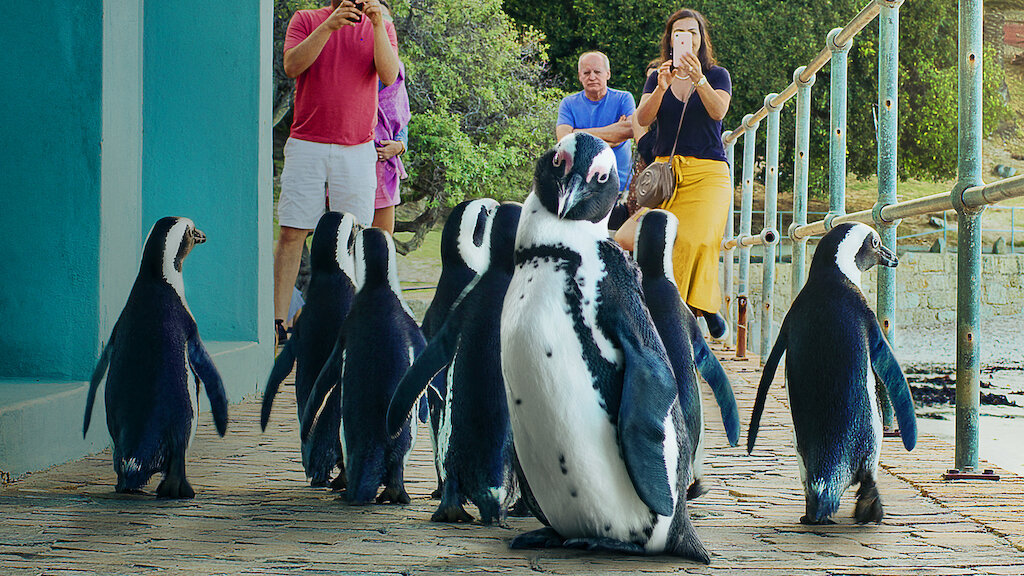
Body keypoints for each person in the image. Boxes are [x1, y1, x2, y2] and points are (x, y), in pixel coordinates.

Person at [274, 0, 401, 344]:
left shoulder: (382, 26)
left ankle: (353, 321)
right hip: (307, 143)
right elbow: (291, 65)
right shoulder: (306, 19)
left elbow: (388, 76)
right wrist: (329, 25)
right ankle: (278, 323)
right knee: (291, 233)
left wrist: (376, 25)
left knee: (355, 236)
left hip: (357, 148)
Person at [627, 8, 733, 339]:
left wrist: (698, 79)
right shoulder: (657, 75)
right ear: (670, 39)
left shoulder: (717, 75)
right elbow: (642, 119)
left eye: (692, 32)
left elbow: (718, 111)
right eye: (678, 33)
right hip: (667, 176)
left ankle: (680, 323)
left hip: (709, 173)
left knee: (693, 239)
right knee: (634, 240)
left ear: (701, 38)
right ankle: (704, 308)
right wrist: (661, 87)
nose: (686, 38)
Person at [556, 51, 636, 195]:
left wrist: (578, 133)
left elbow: (630, 129)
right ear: (580, 76)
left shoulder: (624, 98)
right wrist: (613, 137)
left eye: (597, 72)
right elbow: (564, 141)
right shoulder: (568, 103)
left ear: (608, 74)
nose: (592, 77)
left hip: (620, 187)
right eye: (586, 73)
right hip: (582, 189)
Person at [371, 0, 410, 234]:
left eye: (386, 21)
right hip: (356, 155)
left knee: (382, 241)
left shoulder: (397, 71)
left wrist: (399, 146)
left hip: (385, 161)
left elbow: (402, 116)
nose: (382, 25)